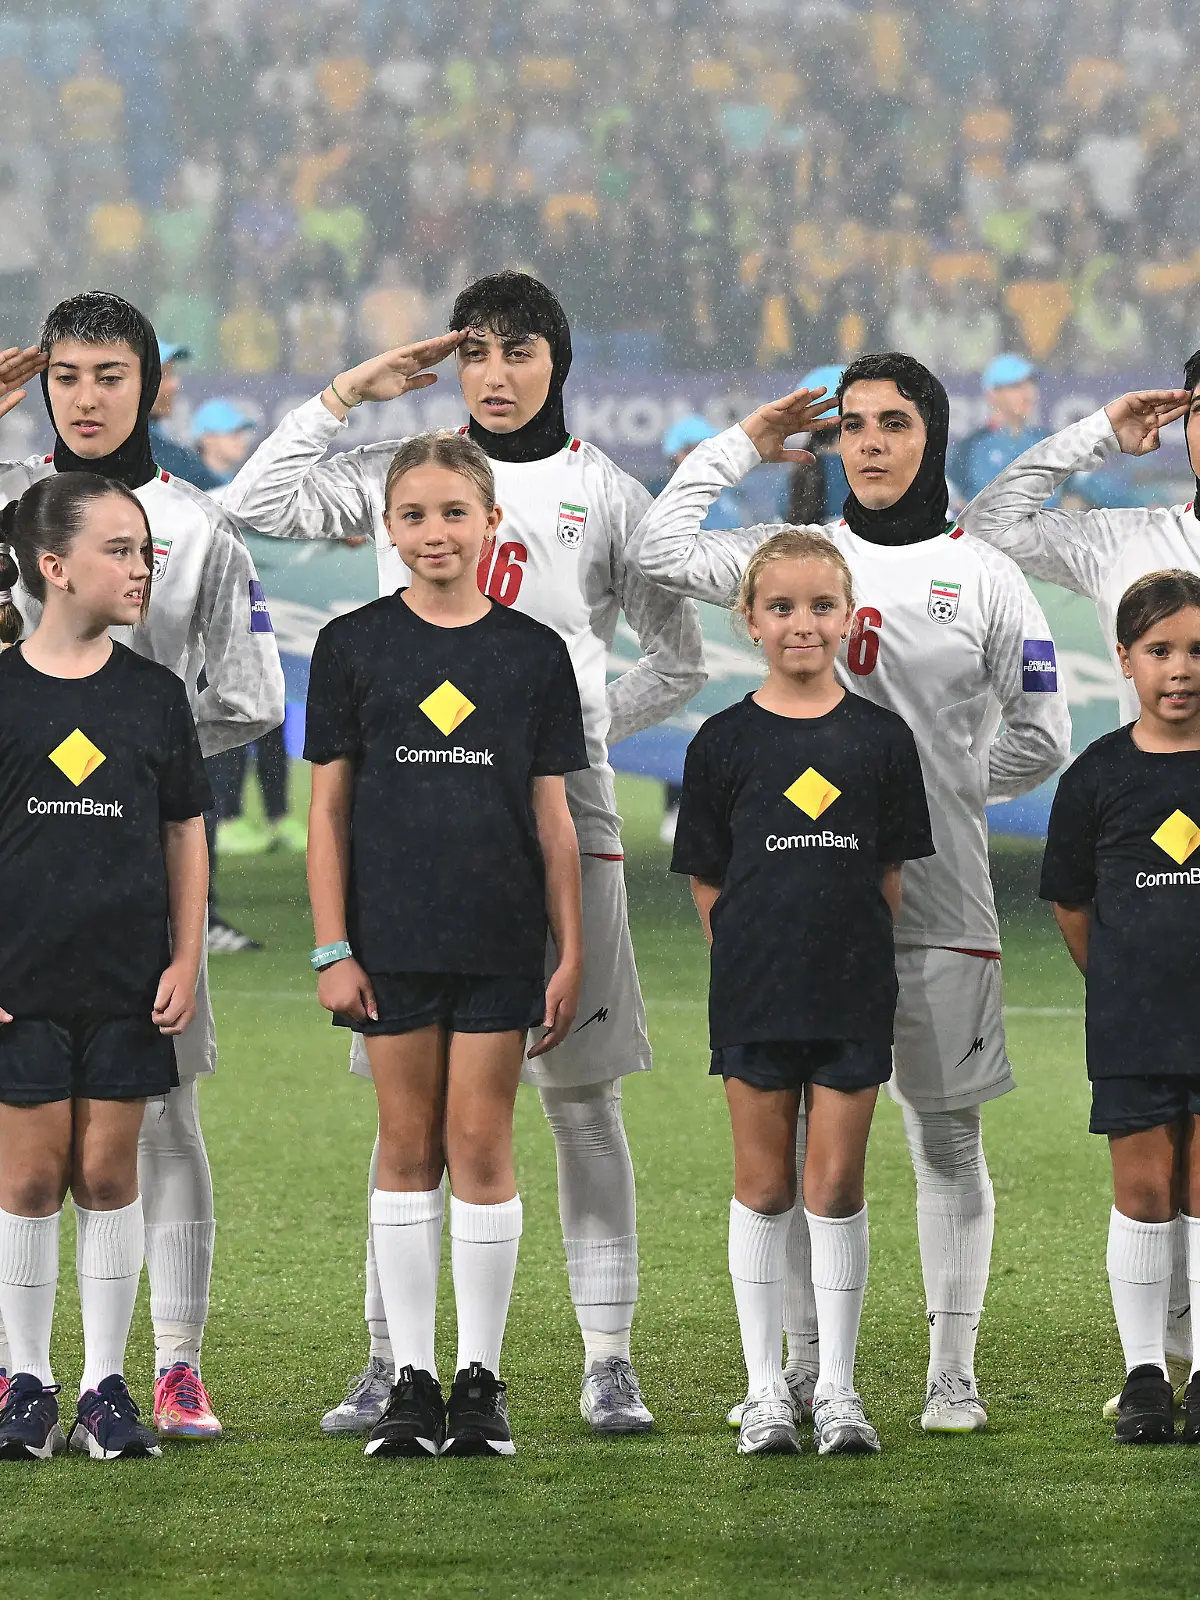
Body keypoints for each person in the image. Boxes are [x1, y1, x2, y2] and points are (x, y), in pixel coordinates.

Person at [223, 271, 706, 1436]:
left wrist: (571, 730)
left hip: (558, 811)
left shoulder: (606, 490)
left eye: (520, 351)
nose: (495, 372)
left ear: (560, 361)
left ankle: (607, 1357)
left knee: (581, 1099)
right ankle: (394, 1362)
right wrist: (351, 391)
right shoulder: (412, 470)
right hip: (409, 832)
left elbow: (681, 658)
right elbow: (253, 497)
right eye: (477, 351)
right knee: (410, 1117)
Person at [632, 351, 1071, 1434]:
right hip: (800, 908)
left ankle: (949, 1371)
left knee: (947, 1138)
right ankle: (796, 1376)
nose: (871, 443)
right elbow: (659, 549)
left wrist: (945, 793)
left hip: (942, 900)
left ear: (934, 438)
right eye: (854, 426)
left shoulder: (986, 577)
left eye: (895, 424)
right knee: (789, 1160)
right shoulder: (797, 558)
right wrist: (742, 440)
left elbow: (1043, 734)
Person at [0, 294, 285, 1438]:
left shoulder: (203, 529)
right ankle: (22, 1369)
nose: (84, 395)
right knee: (19, 1142)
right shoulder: (10, 502)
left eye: (109, 374)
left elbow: (253, 698)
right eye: (64, 375)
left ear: (151, 385)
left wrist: (131, 760)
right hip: (20, 878)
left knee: (161, 1118)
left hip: (142, 877)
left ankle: (171, 1364)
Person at [305, 432, 587, 1458]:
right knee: (408, 1144)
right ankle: (411, 1379)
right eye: (415, 515)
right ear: (388, 528)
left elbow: (553, 819)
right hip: (390, 939)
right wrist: (331, 945)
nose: (435, 532)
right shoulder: (352, 645)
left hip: (500, 937)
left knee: (481, 1144)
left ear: (489, 523)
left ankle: (480, 1380)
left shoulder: (531, 653)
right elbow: (327, 814)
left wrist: (571, 949)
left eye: (454, 513)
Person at [958, 360, 1199, 1415]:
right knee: (1153, 1163)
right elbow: (993, 520)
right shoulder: (1128, 536)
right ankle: (1158, 1364)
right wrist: (1098, 433)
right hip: (1151, 848)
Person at [672, 528, 934, 1455]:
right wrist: (755, 952)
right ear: (748, 621)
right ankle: (765, 1388)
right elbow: (710, 882)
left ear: (849, 618)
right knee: (764, 1185)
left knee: (835, 1186)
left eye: (821, 606)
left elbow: (888, 877)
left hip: (853, 992)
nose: (802, 624)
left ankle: (839, 1388)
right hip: (754, 994)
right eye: (780, 607)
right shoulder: (723, 740)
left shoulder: (880, 738)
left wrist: (844, 951)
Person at [0, 474, 210, 1460]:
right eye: (120, 550)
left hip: (128, 980)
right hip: (22, 982)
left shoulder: (154, 696)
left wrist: (183, 954)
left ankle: (104, 1386)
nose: (140, 566)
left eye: (144, 550)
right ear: (54, 567)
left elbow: (185, 835)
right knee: (34, 1178)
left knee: (105, 1171)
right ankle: (27, 1380)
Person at [1040, 569, 1200, 1445]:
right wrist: (1124, 980)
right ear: (1126, 661)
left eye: (1197, 650)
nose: (1181, 669)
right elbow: (1072, 905)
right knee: (1143, 1193)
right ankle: (1144, 1373)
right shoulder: (1097, 776)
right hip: (1134, 1017)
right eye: (1161, 651)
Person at [951, 354, 1044, 503]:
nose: (1028, 393)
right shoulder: (970, 447)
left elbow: (1080, 490)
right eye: (1016, 386)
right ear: (993, 394)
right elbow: (948, 498)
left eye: (1031, 384)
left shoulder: (1046, 439)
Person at [147, 341, 221, 491]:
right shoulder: (155, 453)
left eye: (172, 374)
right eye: (163, 375)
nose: (175, 384)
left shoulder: (162, 449)